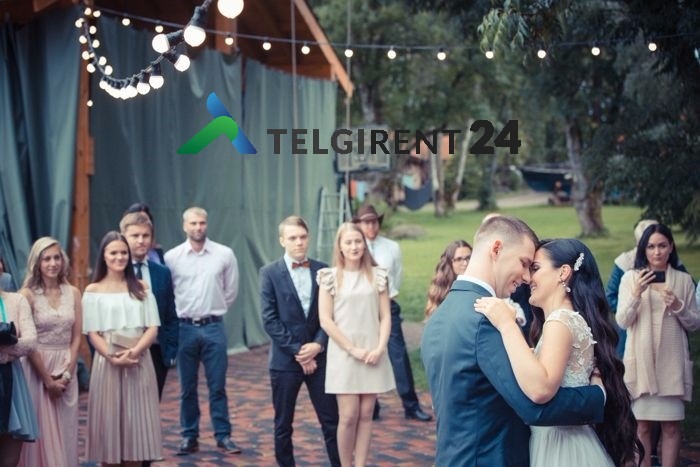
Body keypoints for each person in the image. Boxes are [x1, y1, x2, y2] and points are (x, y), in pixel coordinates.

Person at [421, 215, 606, 466]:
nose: (527, 277)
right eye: (525, 263)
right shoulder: (486, 319)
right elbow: (534, 406)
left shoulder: (439, 316)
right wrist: (597, 396)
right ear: (497, 249)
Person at [475, 238, 640, 466]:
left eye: (535, 268)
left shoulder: (559, 322)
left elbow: (541, 389)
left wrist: (507, 325)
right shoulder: (566, 320)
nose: (528, 278)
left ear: (563, 273)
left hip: (562, 448)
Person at [616, 223, 700, 467]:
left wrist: (678, 306)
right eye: (651, 246)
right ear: (644, 249)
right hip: (641, 366)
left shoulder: (684, 281)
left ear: (671, 247)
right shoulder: (630, 279)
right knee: (641, 426)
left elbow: (694, 324)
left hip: (672, 366)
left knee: (671, 427)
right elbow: (622, 320)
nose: (657, 252)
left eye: (662, 245)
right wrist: (636, 294)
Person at [259, 216, 340, 466]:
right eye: (292, 238)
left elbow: (332, 314)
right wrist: (300, 352)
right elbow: (270, 320)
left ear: (309, 238)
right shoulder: (269, 273)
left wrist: (318, 345)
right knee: (283, 424)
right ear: (282, 240)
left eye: (303, 237)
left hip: (320, 358)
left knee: (332, 421)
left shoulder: (323, 270)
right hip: (285, 361)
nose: (298, 242)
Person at [165, 206, 241, 455]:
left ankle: (223, 435)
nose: (198, 227)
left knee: (217, 386)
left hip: (213, 327)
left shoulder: (224, 254)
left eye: (202, 223)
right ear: (184, 226)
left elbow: (231, 291)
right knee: (187, 388)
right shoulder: (172, 258)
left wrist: (213, 309)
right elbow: (168, 293)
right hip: (184, 328)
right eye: (193, 223)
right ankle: (189, 436)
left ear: (207, 224)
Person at [317, 222, 394, 467]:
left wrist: (380, 348)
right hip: (344, 354)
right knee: (348, 416)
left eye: (358, 241)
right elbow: (325, 320)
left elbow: (385, 316)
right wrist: (352, 349)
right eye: (348, 242)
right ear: (339, 246)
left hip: (372, 352)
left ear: (364, 244)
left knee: (366, 415)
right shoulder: (329, 277)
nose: (354, 246)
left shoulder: (378, 275)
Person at [82, 231, 162, 466]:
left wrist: (134, 353)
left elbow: (152, 327)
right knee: (109, 439)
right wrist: (112, 357)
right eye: (113, 252)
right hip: (108, 364)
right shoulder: (93, 290)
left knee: (136, 439)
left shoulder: (141, 287)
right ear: (104, 256)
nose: (119, 257)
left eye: (124, 252)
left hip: (139, 362)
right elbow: (92, 333)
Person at [352, 205, 431, 422]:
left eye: (374, 221)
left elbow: (397, 275)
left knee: (398, 354)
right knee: (367, 353)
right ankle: (372, 406)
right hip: (361, 308)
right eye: (366, 222)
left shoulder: (391, 247)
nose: (371, 226)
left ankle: (411, 405)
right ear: (358, 224)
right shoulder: (354, 246)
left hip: (387, 304)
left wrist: (388, 297)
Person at [17, 238, 81, 467]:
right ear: (37, 263)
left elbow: (76, 337)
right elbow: (27, 341)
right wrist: (48, 380)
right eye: (46, 259)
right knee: (40, 431)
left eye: (56, 258)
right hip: (36, 368)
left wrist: (67, 373)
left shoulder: (73, 292)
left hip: (66, 366)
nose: (53, 263)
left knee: (66, 429)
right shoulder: (27, 295)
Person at [120, 212, 178, 399]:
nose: (141, 240)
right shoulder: (114, 272)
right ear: (123, 237)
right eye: (135, 235)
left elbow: (170, 315)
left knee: (151, 406)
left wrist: (169, 352)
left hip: (155, 352)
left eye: (145, 235)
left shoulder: (162, 273)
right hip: (121, 350)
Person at [606, 219, 658, 357]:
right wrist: (629, 307)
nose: (655, 251)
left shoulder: (671, 263)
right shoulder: (624, 263)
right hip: (632, 325)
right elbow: (610, 296)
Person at [0, 289, 37, 467]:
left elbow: (30, 342)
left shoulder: (17, 300)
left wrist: (2, 353)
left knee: (9, 458)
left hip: (11, 380)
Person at [424, 240, 472, 319]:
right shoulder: (442, 288)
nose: (465, 263)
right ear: (449, 262)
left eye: (468, 258)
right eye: (459, 259)